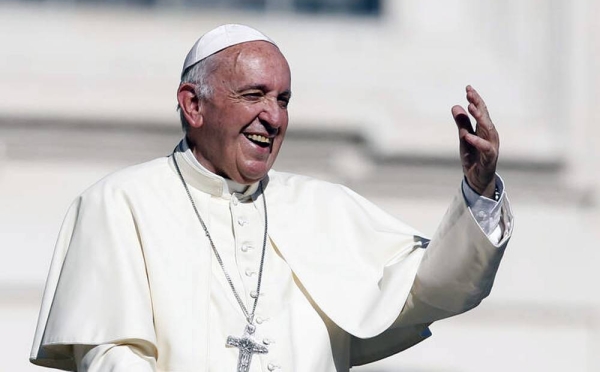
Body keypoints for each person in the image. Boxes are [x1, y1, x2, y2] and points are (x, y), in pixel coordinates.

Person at [30, 24, 513, 372]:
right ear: (193, 105)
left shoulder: (324, 209)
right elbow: (113, 359)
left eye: (282, 100)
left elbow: (430, 288)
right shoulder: (120, 204)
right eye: (254, 95)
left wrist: (479, 190)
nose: (273, 117)